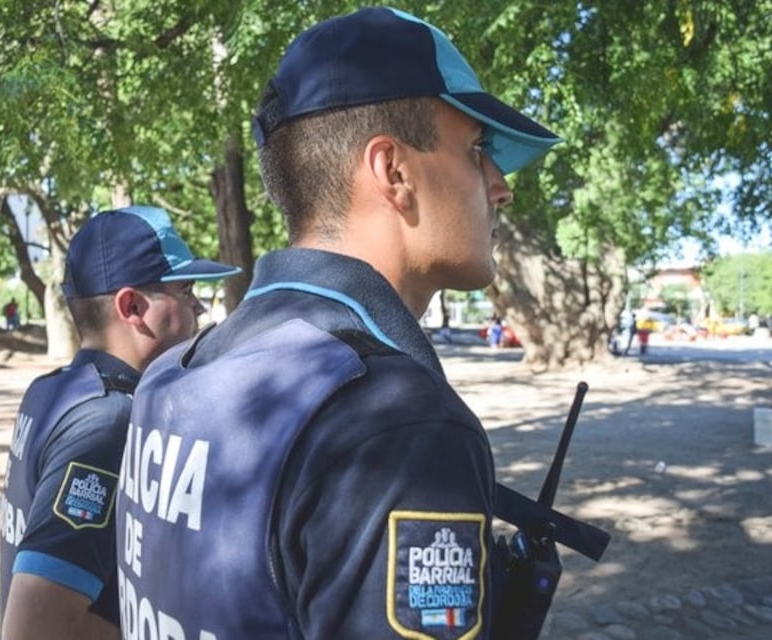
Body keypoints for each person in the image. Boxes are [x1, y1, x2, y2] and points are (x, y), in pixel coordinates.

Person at [116, 7, 565, 640]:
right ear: (394, 172)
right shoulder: (398, 426)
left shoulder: (170, 375)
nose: (500, 186)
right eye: (476, 150)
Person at [0, 205, 240, 640]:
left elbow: (9, 543)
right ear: (132, 306)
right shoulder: (109, 421)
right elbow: (32, 628)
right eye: (186, 291)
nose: (200, 309)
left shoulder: (50, 391)